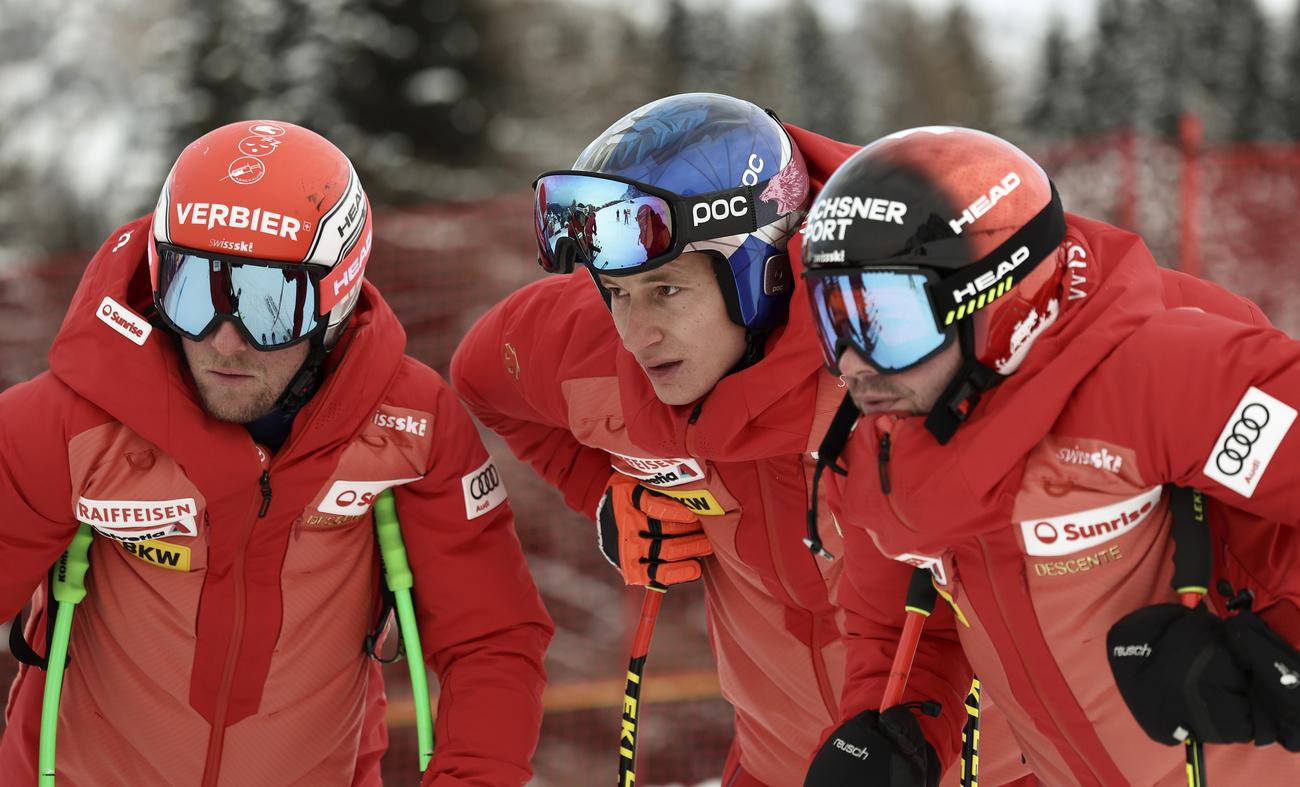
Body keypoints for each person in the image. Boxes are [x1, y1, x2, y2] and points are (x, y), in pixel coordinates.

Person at [451, 94, 1032, 786]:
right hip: (772, 765)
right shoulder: (601, 345)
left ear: (763, 273)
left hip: (998, 767)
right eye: (615, 291)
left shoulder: (903, 353)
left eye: (667, 291)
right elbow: (484, 376)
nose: (636, 334)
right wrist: (609, 495)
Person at [0, 121, 552, 786]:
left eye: (271, 304)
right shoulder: (63, 422)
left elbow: (490, 639)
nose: (225, 340)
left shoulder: (412, 428)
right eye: (194, 290)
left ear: (336, 297)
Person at [799, 125, 1300, 786]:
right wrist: (890, 729)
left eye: (890, 320)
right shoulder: (879, 448)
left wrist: (1278, 643)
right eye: (836, 318)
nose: (856, 363)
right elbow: (903, 630)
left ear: (998, 297)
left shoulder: (1149, 375)